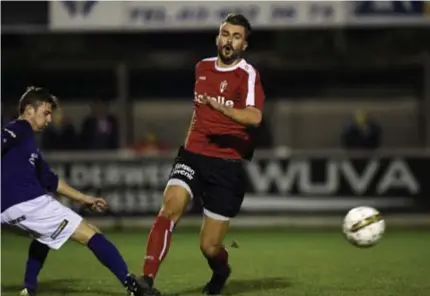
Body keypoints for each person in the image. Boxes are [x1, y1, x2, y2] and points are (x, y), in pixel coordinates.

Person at [139, 14, 265, 296]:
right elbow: (198, 113)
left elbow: (255, 116)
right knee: (169, 209)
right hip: (193, 155)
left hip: (227, 165)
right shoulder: (202, 68)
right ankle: (146, 280)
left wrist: (224, 110)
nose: (228, 40)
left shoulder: (247, 74)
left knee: (209, 247)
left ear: (244, 44)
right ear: (217, 37)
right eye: (225, 34)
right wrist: (187, 146)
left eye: (236, 36)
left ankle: (221, 271)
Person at [1, 87, 147, 296]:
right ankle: (131, 285)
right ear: (29, 110)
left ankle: (29, 288)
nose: (49, 119)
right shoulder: (20, 127)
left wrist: (84, 198)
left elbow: (50, 181)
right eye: (46, 112)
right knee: (92, 233)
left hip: (7, 212)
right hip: (26, 202)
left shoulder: (28, 145)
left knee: (45, 235)